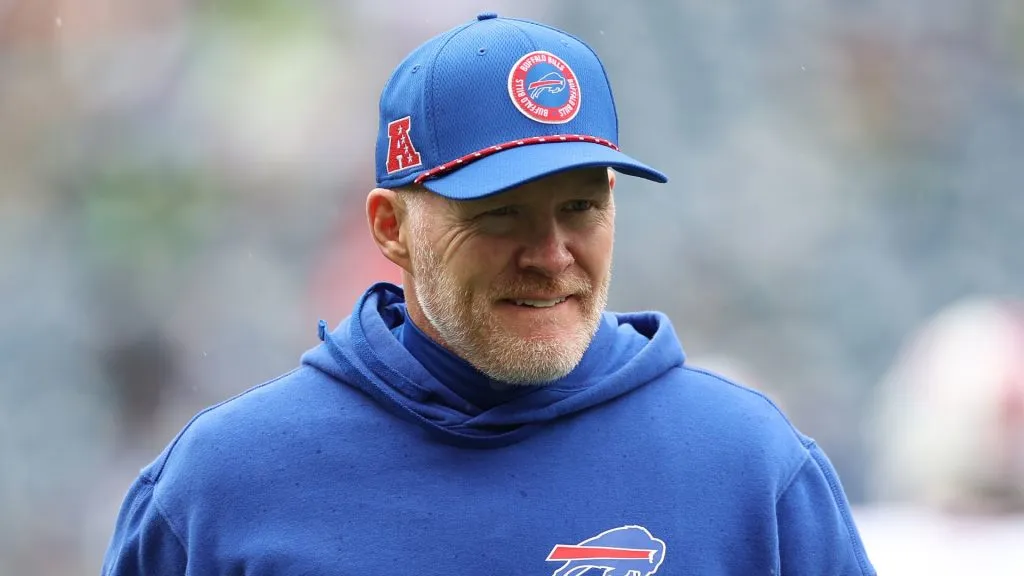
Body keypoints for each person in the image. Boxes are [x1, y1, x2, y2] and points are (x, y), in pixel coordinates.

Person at [102, 13, 875, 575]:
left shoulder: (749, 468)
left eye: (580, 208)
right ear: (390, 226)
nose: (550, 256)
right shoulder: (222, 485)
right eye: (500, 213)